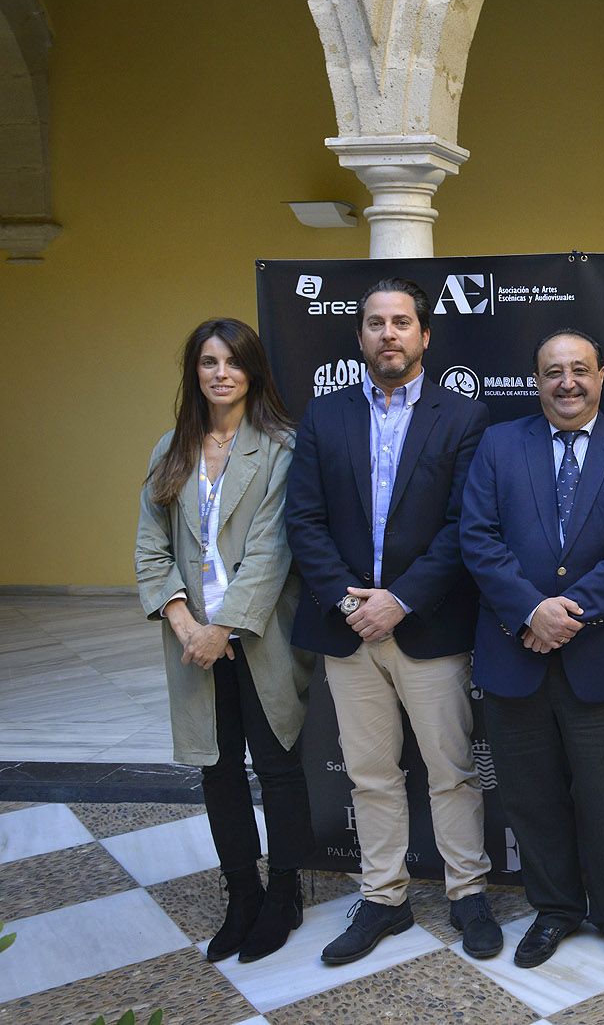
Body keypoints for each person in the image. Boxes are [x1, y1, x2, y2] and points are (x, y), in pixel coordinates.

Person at [285, 277, 501, 965]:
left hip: (429, 625)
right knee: (371, 773)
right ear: (360, 337)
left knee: (451, 769)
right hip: (349, 632)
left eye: (401, 321)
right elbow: (305, 520)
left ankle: (468, 892)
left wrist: (399, 599)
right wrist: (353, 604)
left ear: (424, 335)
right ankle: (384, 897)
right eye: (375, 322)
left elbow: (464, 524)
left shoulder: (462, 415)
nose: (389, 334)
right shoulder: (324, 416)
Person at [460, 329, 604, 969]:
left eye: (580, 369)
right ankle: (553, 911)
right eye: (553, 371)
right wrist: (530, 610)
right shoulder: (498, 444)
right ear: (536, 379)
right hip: (515, 656)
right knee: (530, 796)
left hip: (602, 657)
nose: (567, 382)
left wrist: (565, 615)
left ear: (602, 375)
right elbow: (477, 536)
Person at [135, 317, 314, 964]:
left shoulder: (280, 447)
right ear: (195, 372)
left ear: (253, 371)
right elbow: (150, 547)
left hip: (256, 634)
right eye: (208, 361)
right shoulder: (171, 449)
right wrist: (187, 624)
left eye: (232, 362)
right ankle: (242, 889)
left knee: (277, 763)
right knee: (217, 767)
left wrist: (224, 626)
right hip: (194, 641)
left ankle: (286, 891)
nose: (219, 373)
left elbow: (272, 551)